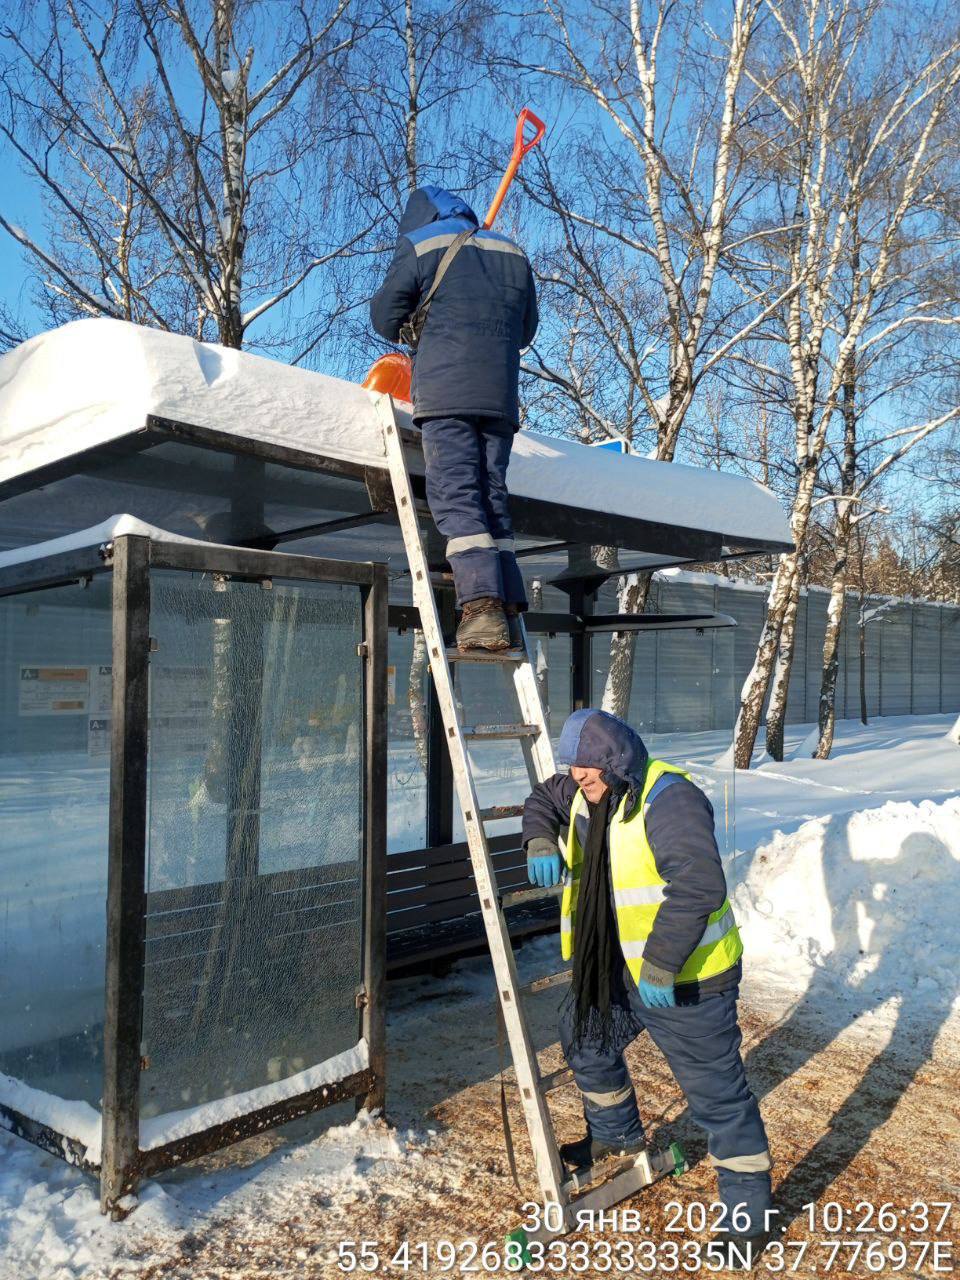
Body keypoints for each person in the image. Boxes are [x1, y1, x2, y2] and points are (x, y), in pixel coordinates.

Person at [522, 708, 773, 1253]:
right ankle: (615, 1136)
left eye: (587, 768)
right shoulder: (587, 790)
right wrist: (540, 839)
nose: (577, 778)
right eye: (574, 769)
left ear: (615, 761)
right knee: (584, 1037)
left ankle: (747, 1219)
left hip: (685, 980)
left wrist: (660, 962)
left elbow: (699, 886)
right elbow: (544, 797)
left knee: (718, 1099)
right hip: (617, 970)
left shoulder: (669, 799)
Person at [370, 185, 538, 651]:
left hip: (446, 393)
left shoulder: (422, 244)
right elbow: (526, 330)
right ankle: (505, 603)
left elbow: (385, 318)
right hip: (500, 398)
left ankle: (481, 610)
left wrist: (420, 321)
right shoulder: (512, 251)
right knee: (491, 497)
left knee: (458, 496)